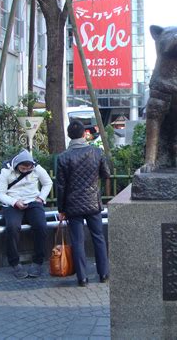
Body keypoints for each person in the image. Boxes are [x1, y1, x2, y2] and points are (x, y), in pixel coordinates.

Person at [56, 119, 110, 287]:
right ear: (84, 134)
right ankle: (104, 274)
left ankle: (82, 278)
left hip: (73, 205)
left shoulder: (63, 157)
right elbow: (106, 174)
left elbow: (60, 186)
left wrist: (61, 209)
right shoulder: (96, 152)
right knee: (98, 238)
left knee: (77, 241)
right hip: (93, 202)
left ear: (69, 135)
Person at [0, 149, 53, 279]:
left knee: (41, 226)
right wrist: (14, 202)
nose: (26, 171)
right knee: (12, 227)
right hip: (12, 203)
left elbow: (48, 182)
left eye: (29, 169)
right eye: (22, 168)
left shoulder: (37, 169)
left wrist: (41, 198)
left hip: (33, 201)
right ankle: (15, 262)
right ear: (17, 165)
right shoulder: (6, 172)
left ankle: (38, 261)